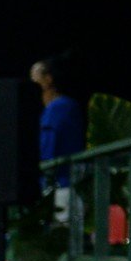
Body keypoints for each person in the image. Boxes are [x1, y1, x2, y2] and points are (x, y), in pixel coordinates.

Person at [33, 53, 84, 188]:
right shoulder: (61, 107)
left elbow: (48, 150)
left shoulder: (59, 107)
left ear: (48, 80)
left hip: (60, 187)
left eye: (34, 78)